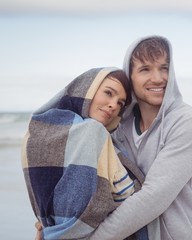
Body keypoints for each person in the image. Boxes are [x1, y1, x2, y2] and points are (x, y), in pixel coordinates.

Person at [89, 36, 192, 239]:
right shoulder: (118, 127)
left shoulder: (189, 122)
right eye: (145, 69)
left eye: (164, 68)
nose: (158, 78)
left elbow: (152, 198)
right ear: (130, 76)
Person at [22, 67, 146, 239]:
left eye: (120, 103)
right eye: (109, 93)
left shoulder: (37, 129)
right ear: (87, 89)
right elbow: (125, 194)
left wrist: (44, 228)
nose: (113, 105)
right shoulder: (94, 132)